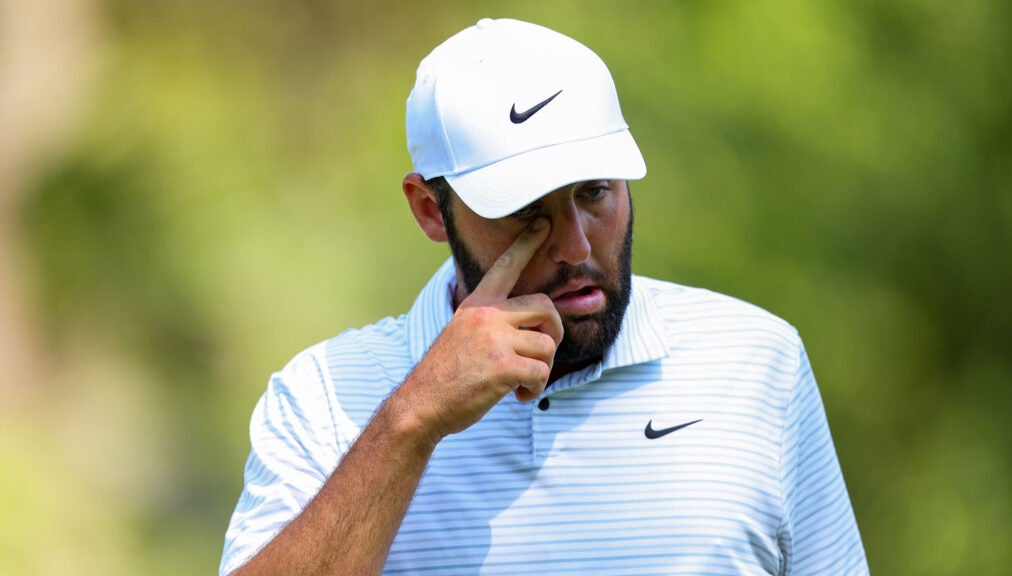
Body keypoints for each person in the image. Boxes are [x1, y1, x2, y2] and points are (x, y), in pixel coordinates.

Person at [220, 18, 868, 576]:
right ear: (429, 209)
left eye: (595, 192)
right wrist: (413, 422)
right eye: (526, 210)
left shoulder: (760, 361)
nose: (577, 248)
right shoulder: (324, 397)